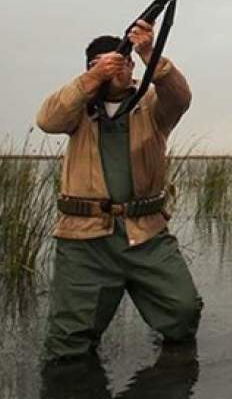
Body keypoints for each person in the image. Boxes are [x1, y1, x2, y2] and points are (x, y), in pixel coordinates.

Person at [36, 20, 202, 362]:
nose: (115, 68)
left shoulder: (151, 104)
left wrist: (148, 53)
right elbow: (47, 120)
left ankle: (173, 373)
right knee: (69, 341)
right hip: (84, 239)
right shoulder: (78, 107)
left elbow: (181, 97)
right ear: (89, 68)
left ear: (133, 67)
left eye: (123, 61)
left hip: (146, 233)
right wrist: (91, 80)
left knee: (183, 313)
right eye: (103, 63)